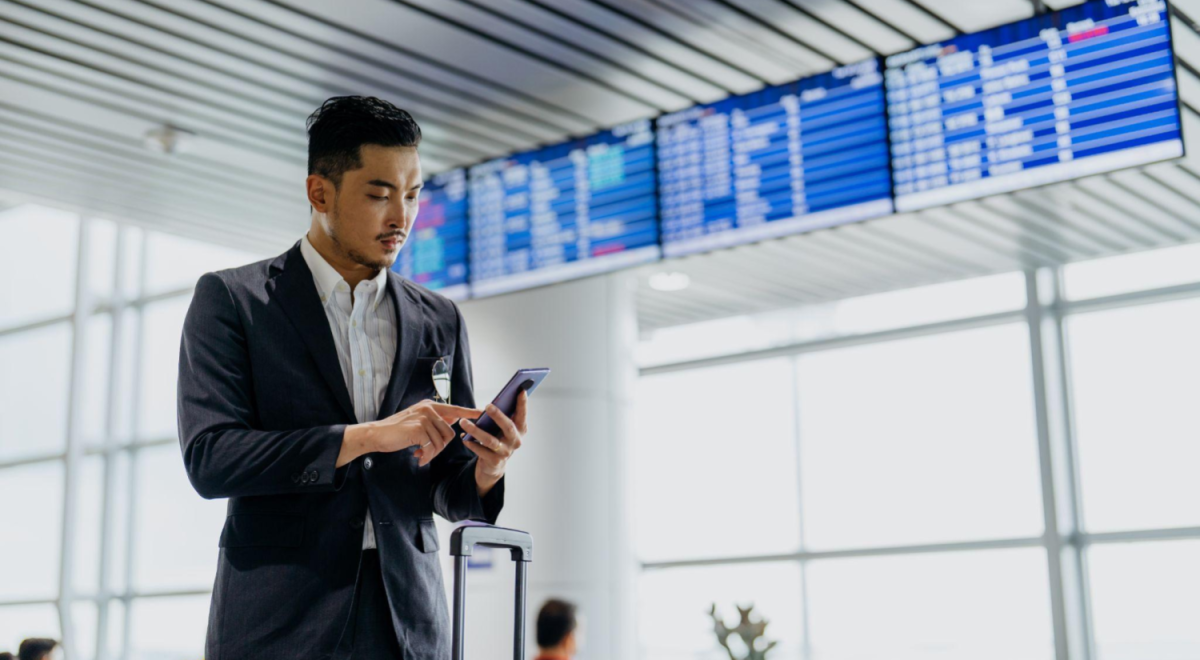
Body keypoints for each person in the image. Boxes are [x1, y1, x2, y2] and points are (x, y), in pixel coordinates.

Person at [177, 95, 529, 660]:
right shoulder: (233, 301)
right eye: (379, 194)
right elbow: (212, 459)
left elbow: (449, 486)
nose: (402, 218)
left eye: (412, 195)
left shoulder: (439, 319)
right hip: (279, 622)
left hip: (406, 623)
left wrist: (489, 467)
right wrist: (365, 437)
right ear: (320, 192)